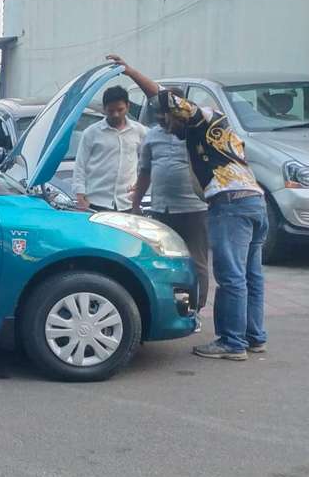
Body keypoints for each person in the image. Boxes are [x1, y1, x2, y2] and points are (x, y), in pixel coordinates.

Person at [110, 55, 267, 361]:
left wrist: (131, 72)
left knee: (231, 275)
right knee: (251, 275)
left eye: (168, 119)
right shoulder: (224, 129)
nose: (167, 126)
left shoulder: (201, 117)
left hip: (230, 205)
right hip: (254, 202)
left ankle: (232, 343)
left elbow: (162, 96)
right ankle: (254, 337)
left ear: (180, 113)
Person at [131, 88, 210, 327]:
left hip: (194, 209)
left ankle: (196, 310)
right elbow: (144, 171)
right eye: (158, 113)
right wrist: (135, 204)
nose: (161, 118)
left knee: (197, 262)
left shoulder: (197, 133)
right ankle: (169, 312)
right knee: (163, 263)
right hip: (161, 210)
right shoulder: (151, 136)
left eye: (166, 113)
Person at [72, 85, 147, 212]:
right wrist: (80, 194)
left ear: (128, 106)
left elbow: (146, 162)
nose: (116, 114)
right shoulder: (91, 133)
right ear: (104, 109)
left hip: (127, 202)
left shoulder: (139, 131)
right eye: (111, 111)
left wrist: (139, 186)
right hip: (97, 201)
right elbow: (80, 165)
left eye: (120, 109)